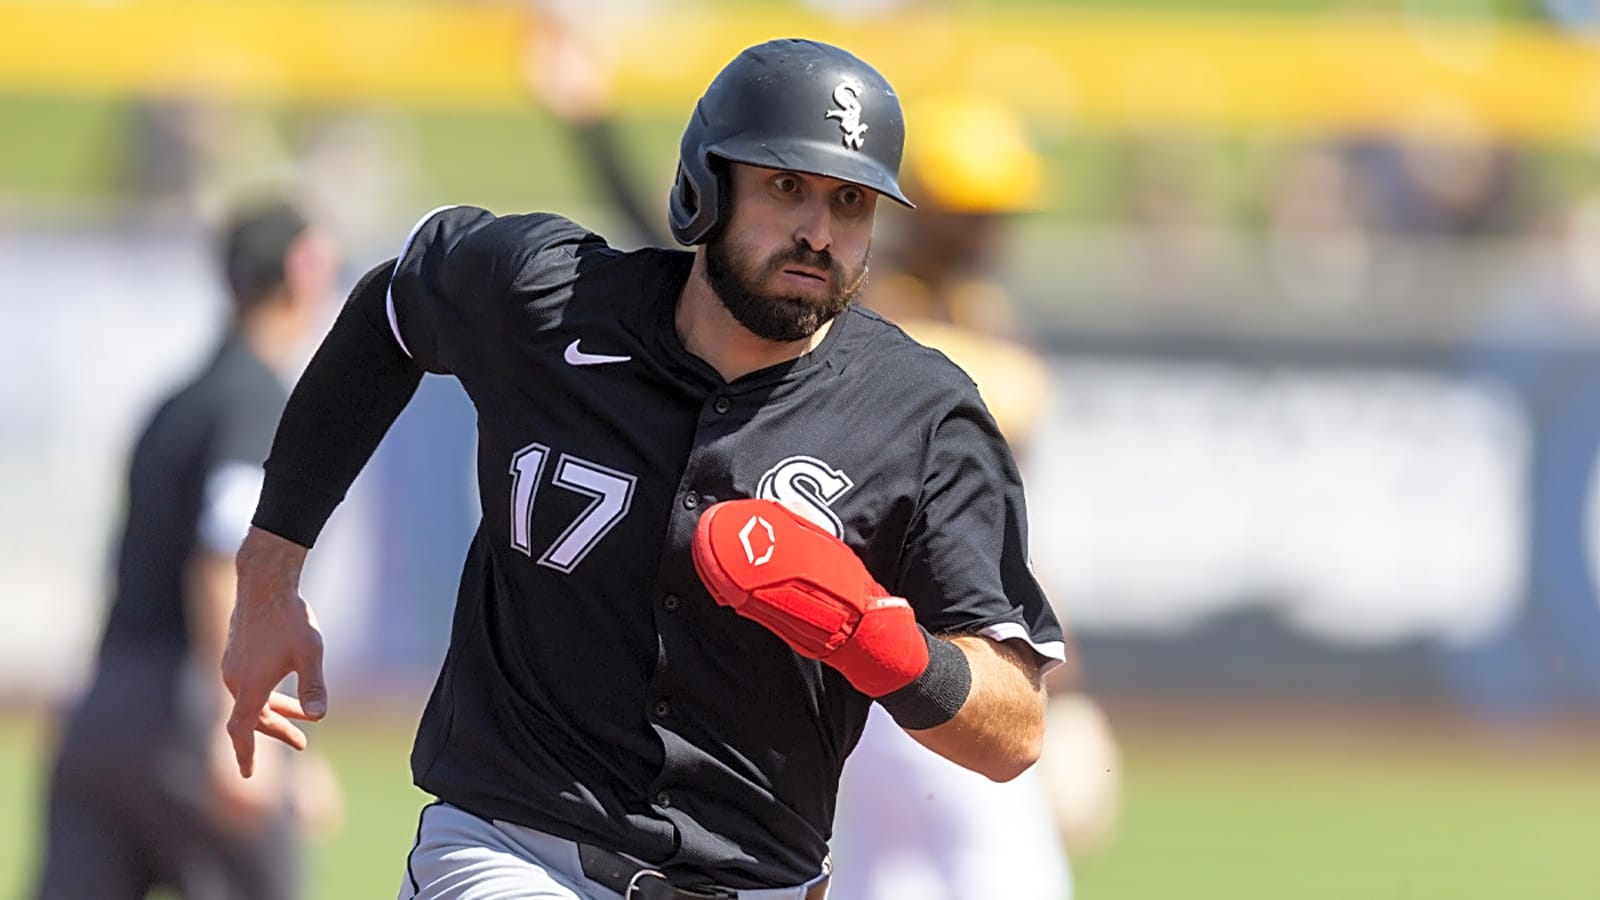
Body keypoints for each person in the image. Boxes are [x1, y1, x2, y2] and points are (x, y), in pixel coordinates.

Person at [222, 38, 1065, 900]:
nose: (819, 230)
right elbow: (393, 309)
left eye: (851, 202)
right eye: (787, 188)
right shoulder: (550, 297)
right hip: (512, 854)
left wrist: (877, 640)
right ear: (704, 186)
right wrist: (269, 569)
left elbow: (1014, 728)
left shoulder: (922, 414)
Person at [831, 93, 1120, 900]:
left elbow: (1003, 530)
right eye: (978, 210)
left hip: (919, 644)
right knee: (1014, 877)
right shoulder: (866, 315)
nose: (997, 230)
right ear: (931, 210)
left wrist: (1064, 667)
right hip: (906, 640)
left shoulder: (979, 317)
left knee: (892, 878)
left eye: (1001, 211)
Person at [33, 198, 344, 900]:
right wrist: (239, 720)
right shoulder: (254, 399)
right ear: (304, 271)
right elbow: (223, 559)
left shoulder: (178, 401)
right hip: (182, 714)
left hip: (101, 716)